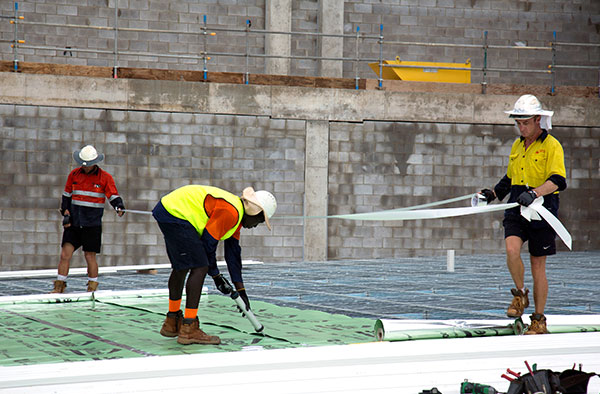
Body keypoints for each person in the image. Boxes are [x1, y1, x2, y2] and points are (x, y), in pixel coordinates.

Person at [480, 94, 566, 334]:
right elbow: (510, 178)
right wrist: (493, 194)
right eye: (518, 122)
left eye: (525, 122)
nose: (521, 127)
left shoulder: (551, 145)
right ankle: (520, 294)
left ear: (538, 119)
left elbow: (558, 180)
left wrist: (536, 193)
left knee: (538, 265)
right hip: (517, 204)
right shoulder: (518, 145)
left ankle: (538, 320)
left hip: (542, 208)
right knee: (511, 250)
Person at [152, 185, 276, 345]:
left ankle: (172, 322)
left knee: (182, 266)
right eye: (259, 221)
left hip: (168, 210)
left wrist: (241, 291)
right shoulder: (231, 212)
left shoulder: (236, 216)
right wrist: (216, 276)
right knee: (200, 266)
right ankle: (189, 328)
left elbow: (233, 255)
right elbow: (208, 245)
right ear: (255, 212)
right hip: (176, 214)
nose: (255, 226)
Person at [51, 145, 126, 293]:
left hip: (92, 224)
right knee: (65, 254)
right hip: (74, 222)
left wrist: (119, 206)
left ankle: (92, 287)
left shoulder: (105, 178)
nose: (85, 167)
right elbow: (66, 195)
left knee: (89, 256)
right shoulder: (74, 174)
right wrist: (65, 212)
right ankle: (59, 286)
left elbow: (113, 195)